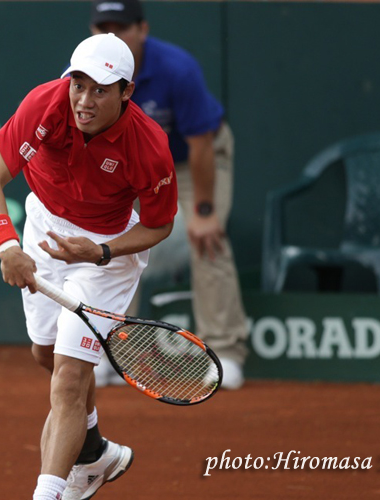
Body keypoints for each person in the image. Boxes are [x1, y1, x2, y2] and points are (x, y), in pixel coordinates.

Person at [0, 33, 177, 500]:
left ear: (127, 92)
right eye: (77, 85)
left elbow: (159, 225)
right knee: (46, 354)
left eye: (100, 90)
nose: (84, 100)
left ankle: (51, 493)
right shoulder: (45, 104)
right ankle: (94, 453)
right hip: (43, 227)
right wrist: (7, 247)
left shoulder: (150, 146)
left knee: (68, 378)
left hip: (107, 251)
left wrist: (102, 252)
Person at [89, 0, 249, 390]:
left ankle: (226, 350)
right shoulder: (82, 74)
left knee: (205, 237)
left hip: (194, 159)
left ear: (142, 29)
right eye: (102, 27)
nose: (111, 36)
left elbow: (202, 144)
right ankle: (111, 353)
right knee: (117, 245)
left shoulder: (178, 69)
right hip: (133, 164)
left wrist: (205, 211)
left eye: (122, 27)